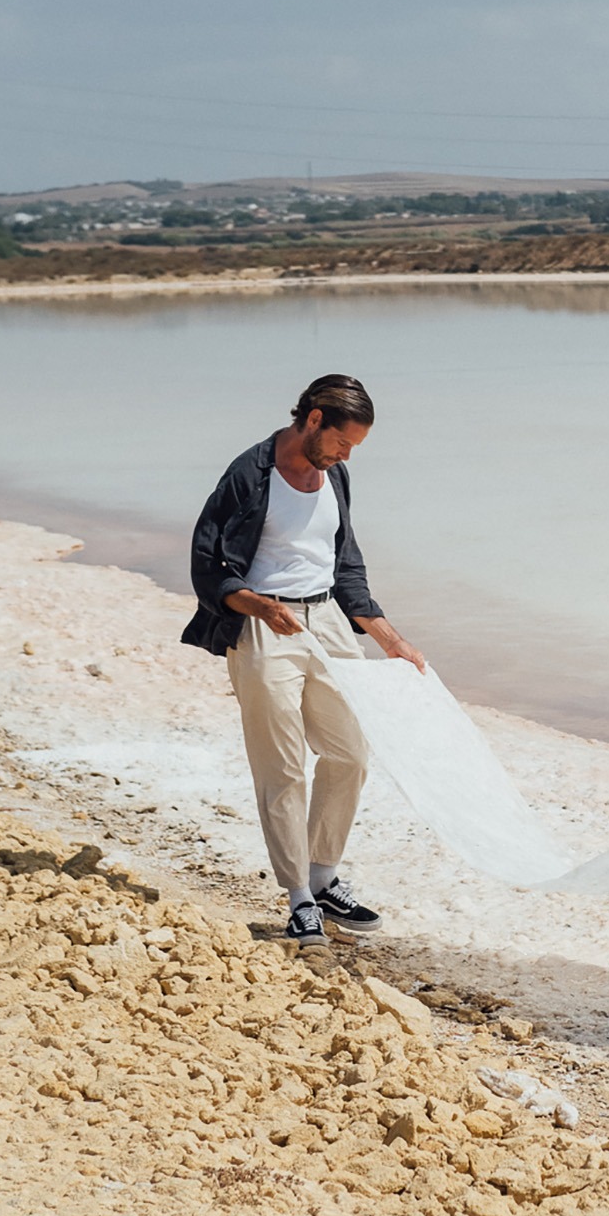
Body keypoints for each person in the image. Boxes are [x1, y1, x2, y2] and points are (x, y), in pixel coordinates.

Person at [182, 372, 424, 945]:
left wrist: (388, 637)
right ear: (313, 419)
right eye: (343, 442)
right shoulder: (249, 474)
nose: (346, 456)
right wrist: (260, 607)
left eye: (354, 449)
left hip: (328, 625)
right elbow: (206, 567)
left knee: (350, 754)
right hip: (265, 628)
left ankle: (323, 877)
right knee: (283, 768)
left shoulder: (334, 476)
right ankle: (298, 901)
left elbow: (346, 566)